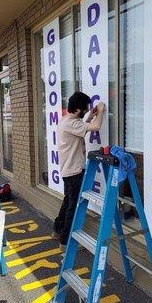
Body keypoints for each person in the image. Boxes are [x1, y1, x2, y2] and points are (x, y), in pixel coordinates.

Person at [52, 91, 105, 250]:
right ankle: (65, 241)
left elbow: (83, 126)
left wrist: (91, 116)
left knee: (67, 202)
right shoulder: (72, 124)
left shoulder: (66, 121)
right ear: (77, 109)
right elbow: (95, 127)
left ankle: (57, 230)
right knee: (71, 206)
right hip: (74, 171)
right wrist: (100, 111)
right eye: (85, 109)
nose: (86, 111)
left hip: (68, 170)